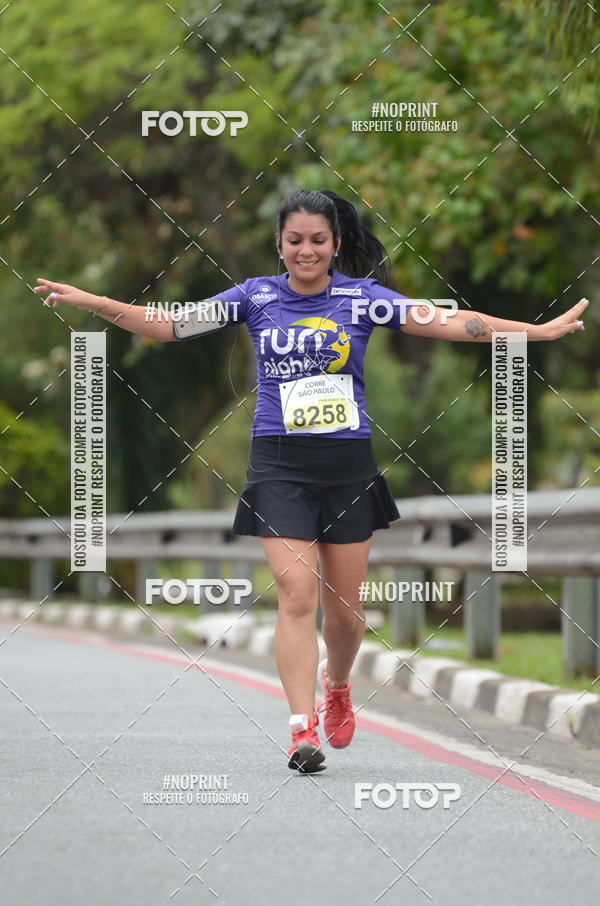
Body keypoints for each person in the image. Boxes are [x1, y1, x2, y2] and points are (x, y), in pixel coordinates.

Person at [34, 188, 589, 775]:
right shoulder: (254, 297)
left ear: (336, 243)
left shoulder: (362, 298)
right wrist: (94, 302)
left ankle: (338, 685)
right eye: (295, 240)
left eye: (318, 240)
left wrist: (536, 332)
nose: (306, 251)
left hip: (347, 468)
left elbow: (449, 321)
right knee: (296, 595)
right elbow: (169, 325)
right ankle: (302, 728)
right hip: (278, 467)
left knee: (344, 615)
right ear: (279, 244)